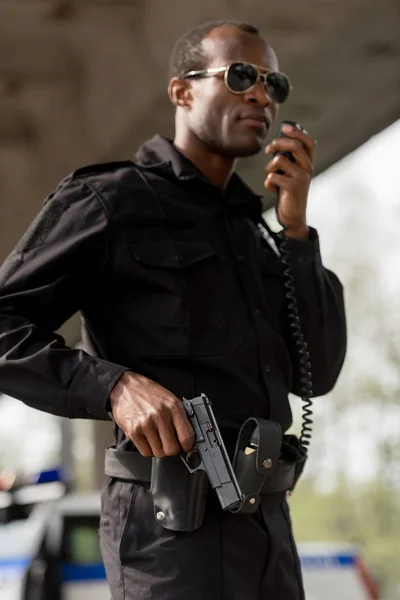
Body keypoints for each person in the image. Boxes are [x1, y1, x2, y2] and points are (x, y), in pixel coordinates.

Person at [0, 19, 346, 600]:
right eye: (240, 76)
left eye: (273, 83)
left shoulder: (259, 233)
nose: (261, 95)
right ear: (182, 91)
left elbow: (323, 368)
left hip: (268, 533)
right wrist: (113, 387)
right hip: (169, 536)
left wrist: (295, 231)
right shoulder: (111, 201)